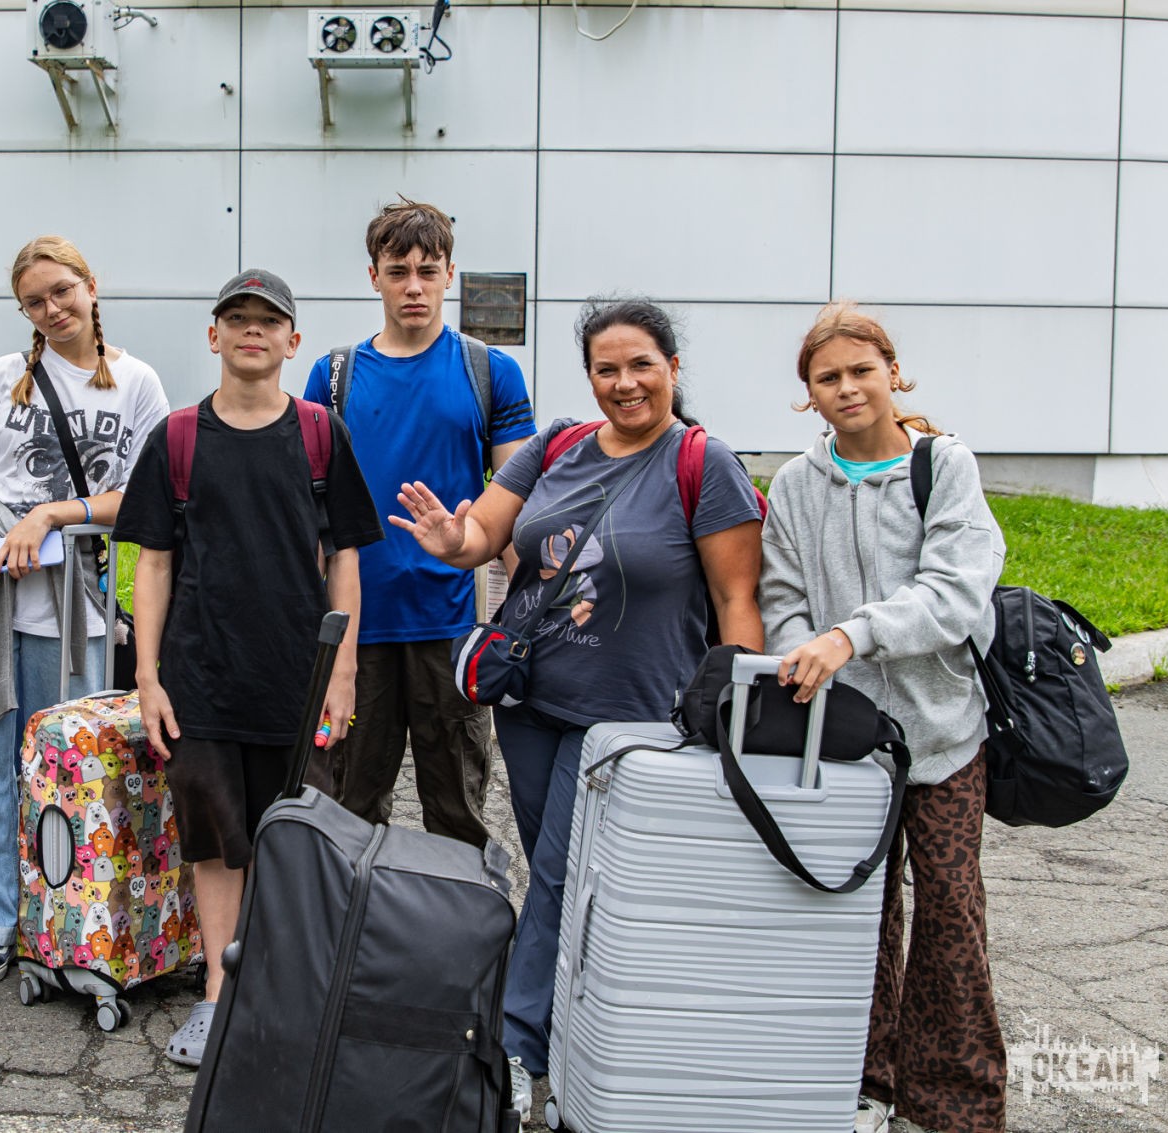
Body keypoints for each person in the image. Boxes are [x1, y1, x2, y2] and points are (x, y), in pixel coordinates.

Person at [390, 298, 764, 1122]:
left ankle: (513, 1048)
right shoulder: (557, 445)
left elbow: (738, 598)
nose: (625, 383)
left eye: (641, 365)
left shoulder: (703, 463)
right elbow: (485, 534)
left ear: (672, 368)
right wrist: (452, 540)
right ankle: (579, 1023)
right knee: (565, 876)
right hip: (531, 699)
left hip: (631, 715)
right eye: (607, 369)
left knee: (562, 872)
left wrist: (738, 713)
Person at [115, 270, 382, 1068]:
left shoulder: (321, 434)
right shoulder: (178, 437)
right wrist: (148, 677)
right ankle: (217, 997)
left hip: (297, 682)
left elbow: (345, 560)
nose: (252, 330)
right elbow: (153, 565)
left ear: (293, 341)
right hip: (200, 681)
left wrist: (343, 672)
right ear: (214, 335)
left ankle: (283, 997)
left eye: (269, 320)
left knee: (291, 842)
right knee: (213, 843)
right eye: (237, 318)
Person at [761, 302, 1007, 1133]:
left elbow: (954, 592)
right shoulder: (797, 485)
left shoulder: (945, 467)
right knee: (852, 915)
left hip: (942, 736)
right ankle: (862, 1081)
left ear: (893, 373)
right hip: (847, 743)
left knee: (949, 914)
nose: (848, 387)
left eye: (862, 370)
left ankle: (955, 1103)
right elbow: (782, 596)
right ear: (809, 394)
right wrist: (806, 655)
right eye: (828, 377)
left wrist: (850, 635)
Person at [0, 235, 169, 986]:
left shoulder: (137, 383)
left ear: (91, 286)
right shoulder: (0, 378)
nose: (52, 309)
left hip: (73, 595)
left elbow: (147, 495)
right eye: (34, 302)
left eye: (62, 291)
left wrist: (55, 512)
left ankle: (60, 915)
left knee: (66, 759)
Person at [304, 197, 535, 849]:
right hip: (357, 629)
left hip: (451, 629)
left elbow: (517, 508)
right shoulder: (333, 375)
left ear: (449, 275)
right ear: (373, 276)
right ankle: (351, 917)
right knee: (348, 812)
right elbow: (311, 510)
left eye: (428, 271)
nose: (413, 286)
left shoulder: (490, 371)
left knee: (457, 815)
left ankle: (460, 919)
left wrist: (532, 609)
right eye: (398, 270)